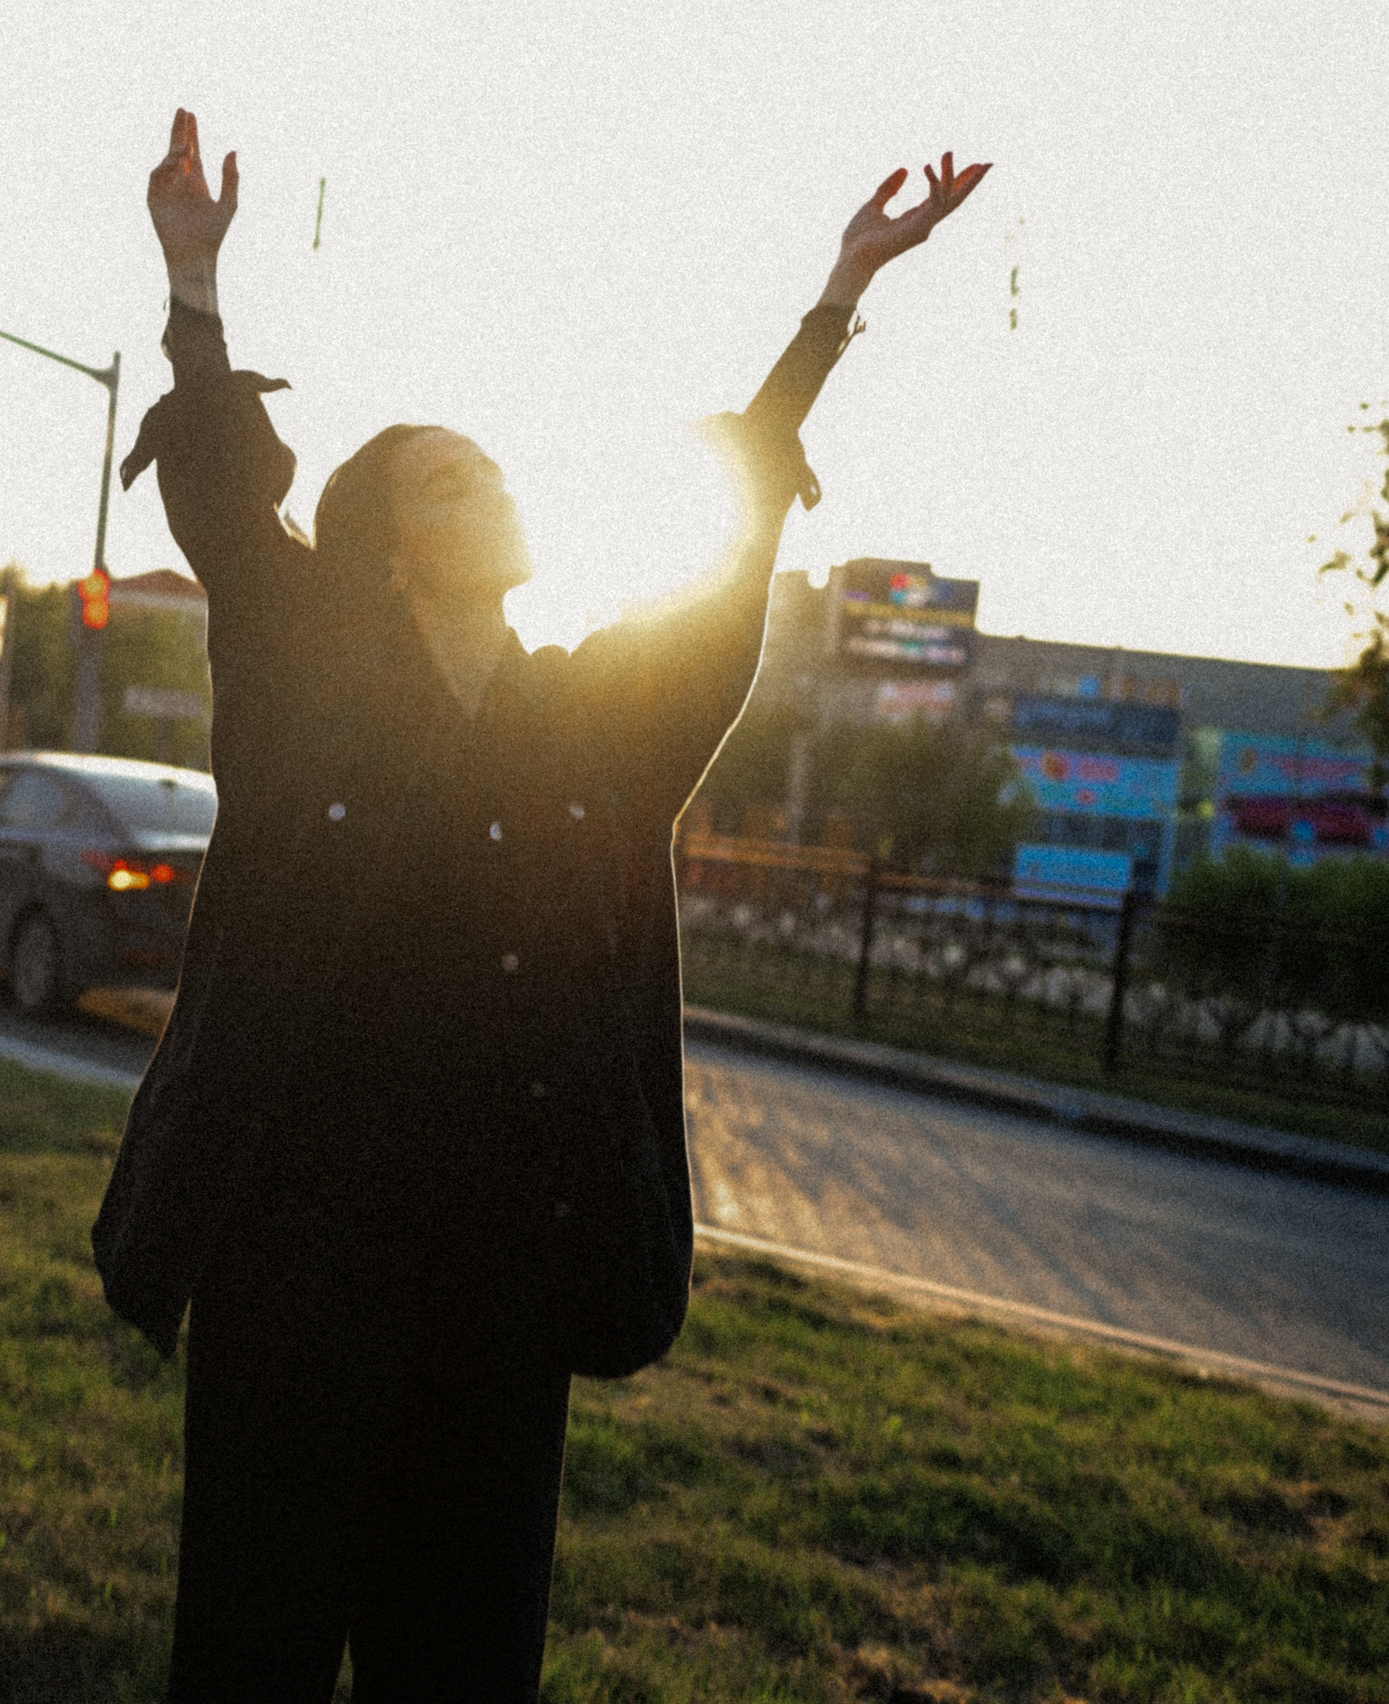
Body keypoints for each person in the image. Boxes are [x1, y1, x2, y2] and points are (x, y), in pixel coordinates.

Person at [94, 110, 988, 1698]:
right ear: (385, 545)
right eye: (455, 477)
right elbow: (230, 514)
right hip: (292, 1275)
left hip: (500, 1293)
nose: (497, 487)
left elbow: (729, 570)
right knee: (253, 1652)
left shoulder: (598, 723)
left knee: (464, 1665)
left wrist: (837, 302)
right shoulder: (306, 685)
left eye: (501, 469)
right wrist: (194, 280)